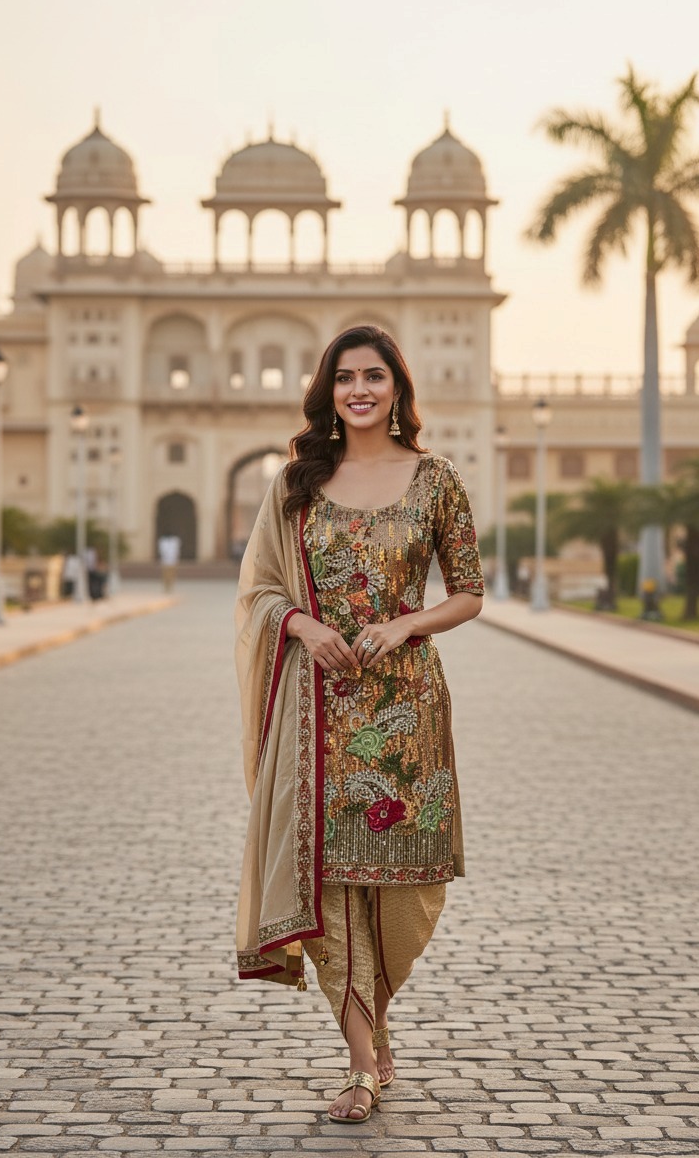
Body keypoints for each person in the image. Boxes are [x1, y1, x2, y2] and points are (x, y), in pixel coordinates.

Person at [234, 325, 484, 1124]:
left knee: (405, 892)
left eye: (374, 376)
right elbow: (259, 589)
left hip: (406, 711)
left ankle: (375, 1024)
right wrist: (304, 627)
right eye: (344, 378)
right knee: (331, 884)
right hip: (317, 709)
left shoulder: (436, 480)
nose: (359, 390)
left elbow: (469, 592)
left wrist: (408, 623)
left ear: (397, 388)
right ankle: (361, 1063)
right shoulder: (296, 483)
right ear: (328, 392)